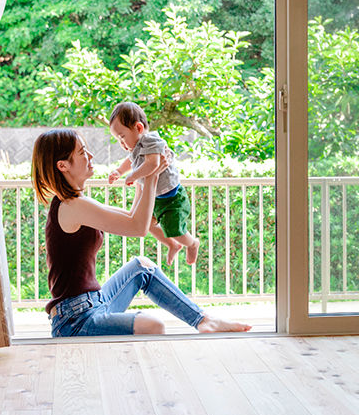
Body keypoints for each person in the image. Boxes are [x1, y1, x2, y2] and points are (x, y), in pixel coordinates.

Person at [31, 127, 251, 336]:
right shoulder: (72, 206)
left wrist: (143, 175)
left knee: (142, 266)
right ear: (63, 166)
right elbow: (137, 227)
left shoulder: (76, 202)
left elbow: (132, 218)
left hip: (94, 302)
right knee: (152, 325)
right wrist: (151, 175)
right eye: (81, 152)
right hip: (75, 320)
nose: (90, 155)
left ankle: (204, 320)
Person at [106, 101, 201, 267]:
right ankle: (172, 244)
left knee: (175, 231)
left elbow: (153, 164)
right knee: (145, 224)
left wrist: (132, 176)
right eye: (118, 139)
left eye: (122, 137)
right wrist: (119, 172)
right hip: (156, 198)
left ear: (139, 128)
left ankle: (192, 243)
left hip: (171, 199)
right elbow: (130, 161)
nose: (122, 143)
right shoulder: (136, 148)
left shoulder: (150, 140)